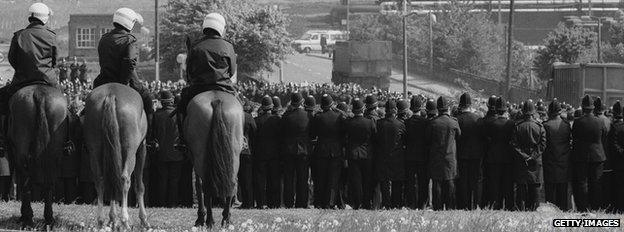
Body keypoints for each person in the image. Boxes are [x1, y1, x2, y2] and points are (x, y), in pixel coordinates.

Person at [175, 13, 238, 150]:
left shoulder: (196, 46)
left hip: (199, 88)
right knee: (241, 107)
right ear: (221, 28)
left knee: (181, 106)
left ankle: (181, 139)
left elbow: (189, 72)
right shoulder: (228, 46)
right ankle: (242, 139)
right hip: (224, 87)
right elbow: (232, 71)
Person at [0, 2, 57, 152]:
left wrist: (23, 69)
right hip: (48, 81)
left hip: (21, 82)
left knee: (2, 102)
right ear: (45, 18)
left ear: (30, 17)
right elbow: (55, 60)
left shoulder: (18, 35)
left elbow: (12, 59)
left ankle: (1, 140)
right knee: (66, 106)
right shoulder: (51, 36)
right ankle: (68, 141)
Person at [92, 8, 154, 118]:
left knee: (90, 103)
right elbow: (130, 62)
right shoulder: (129, 40)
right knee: (147, 98)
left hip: (104, 80)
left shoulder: (104, 39)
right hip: (127, 80)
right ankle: (151, 132)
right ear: (129, 23)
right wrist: (123, 83)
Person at [571, 95, 608, 211]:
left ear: (582, 107)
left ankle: (583, 208)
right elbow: (604, 137)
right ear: (593, 108)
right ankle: (596, 207)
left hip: (581, 156)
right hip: (597, 156)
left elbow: (574, 137)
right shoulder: (600, 121)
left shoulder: (578, 122)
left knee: (582, 182)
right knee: (596, 183)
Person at [510, 100, 546, 211]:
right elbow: (543, 145)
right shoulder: (539, 127)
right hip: (535, 160)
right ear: (533, 112)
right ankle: (534, 209)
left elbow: (514, 144)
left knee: (521, 185)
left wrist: (525, 156)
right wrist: (533, 156)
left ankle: (520, 208)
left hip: (521, 159)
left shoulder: (517, 126)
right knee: (535, 185)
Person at [426, 96, 461, 210]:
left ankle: (438, 207)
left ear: (438, 108)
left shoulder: (433, 123)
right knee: (450, 183)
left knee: (437, 184)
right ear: (448, 108)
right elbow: (459, 136)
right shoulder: (453, 122)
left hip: (436, 157)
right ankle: (450, 207)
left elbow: (428, 140)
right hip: (450, 157)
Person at [152, 91, 185, 207]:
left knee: (162, 180)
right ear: (171, 101)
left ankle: (161, 203)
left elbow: (153, 134)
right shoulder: (178, 114)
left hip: (161, 152)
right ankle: (172, 203)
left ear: (161, 102)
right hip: (176, 152)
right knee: (174, 181)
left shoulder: (157, 115)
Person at [310, 94, 343, 209]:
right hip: (335, 151)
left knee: (320, 178)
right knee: (333, 180)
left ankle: (319, 202)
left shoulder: (318, 117)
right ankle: (330, 202)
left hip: (321, 150)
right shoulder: (338, 116)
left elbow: (313, 134)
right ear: (332, 103)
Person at [344, 98, 376, 209]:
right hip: (367, 153)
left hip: (353, 154)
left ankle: (358, 203)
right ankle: (366, 202)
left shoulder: (348, 123)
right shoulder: (369, 122)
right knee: (367, 179)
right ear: (363, 109)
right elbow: (374, 137)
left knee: (356, 180)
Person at [280, 92, 311, 208]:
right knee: (303, 178)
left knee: (289, 178)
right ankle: (302, 202)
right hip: (303, 150)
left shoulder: (286, 116)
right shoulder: (308, 116)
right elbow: (311, 133)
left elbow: (281, 132)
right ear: (302, 102)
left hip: (289, 150)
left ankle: (288, 202)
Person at [484, 97, 515, 210]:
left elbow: (487, 138)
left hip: (493, 156)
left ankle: (495, 205)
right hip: (507, 157)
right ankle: (509, 206)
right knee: (507, 184)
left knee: (494, 183)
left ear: (496, 109)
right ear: (506, 110)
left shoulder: (491, 123)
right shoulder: (511, 124)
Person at [374, 99, 406, 209]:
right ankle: (396, 203)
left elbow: (376, 139)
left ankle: (386, 204)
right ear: (395, 110)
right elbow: (405, 140)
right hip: (397, 156)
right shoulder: (400, 124)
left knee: (385, 182)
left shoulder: (379, 123)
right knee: (397, 182)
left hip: (383, 156)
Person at [455, 93, 484, 210]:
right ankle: (474, 204)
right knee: (474, 181)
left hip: (461, 154)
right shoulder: (478, 119)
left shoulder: (457, 119)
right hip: (476, 154)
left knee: (463, 181)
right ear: (470, 105)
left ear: (461, 105)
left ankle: (463, 204)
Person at [542, 99, 571, 211]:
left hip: (549, 160)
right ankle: (563, 210)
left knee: (550, 189)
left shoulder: (546, 125)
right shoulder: (566, 125)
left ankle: (550, 210)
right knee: (562, 189)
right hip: (563, 160)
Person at [253, 95, 281, 209]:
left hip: (260, 152)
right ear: (271, 106)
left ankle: (260, 203)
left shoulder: (256, 120)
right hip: (274, 153)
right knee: (273, 179)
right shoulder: (277, 120)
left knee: (260, 180)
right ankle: (273, 203)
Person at [404, 96, 429, 209]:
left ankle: (411, 203)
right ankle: (422, 203)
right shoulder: (426, 122)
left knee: (410, 182)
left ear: (411, 107)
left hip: (409, 156)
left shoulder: (406, 122)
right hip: (423, 156)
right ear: (421, 108)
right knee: (422, 182)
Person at [238, 101, 257, 209]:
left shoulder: (238, 115)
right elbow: (254, 132)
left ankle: (245, 202)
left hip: (237, 150)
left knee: (241, 178)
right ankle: (249, 202)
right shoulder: (249, 117)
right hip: (247, 150)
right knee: (247, 178)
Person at [608, 101, 624, 213]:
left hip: (618, 162)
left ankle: (619, 208)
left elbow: (613, 144)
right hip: (619, 161)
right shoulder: (618, 127)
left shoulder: (615, 127)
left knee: (618, 186)